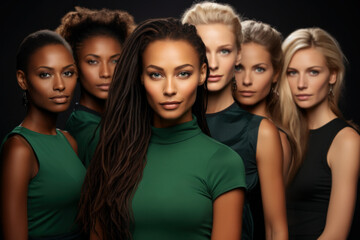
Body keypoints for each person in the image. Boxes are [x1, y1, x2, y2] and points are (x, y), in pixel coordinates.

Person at [78, 18, 247, 240]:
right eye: (156, 74)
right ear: (140, 76)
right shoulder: (114, 155)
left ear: (202, 73)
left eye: (183, 73)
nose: (169, 89)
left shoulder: (223, 162)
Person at [182, 2, 288, 240]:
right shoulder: (163, 123)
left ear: (239, 53)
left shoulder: (261, 133)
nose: (214, 63)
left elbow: (276, 229)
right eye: (203, 50)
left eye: (224, 51)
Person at [0, 30, 86, 239]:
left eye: (67, 73)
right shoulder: (20, 148)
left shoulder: (68, 141)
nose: (60, 85)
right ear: (23, 79)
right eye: (45, 74)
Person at [281, 27, 360, 239]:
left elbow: (335, 234)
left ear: (333, 75)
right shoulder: (280, 133)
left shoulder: (346, 140)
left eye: (313, 72)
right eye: (292, 72)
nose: (301, 84)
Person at [56, 6, 136, 167]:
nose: (106, 73)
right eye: (93, 61)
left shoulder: (97, 122)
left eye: (115, 61)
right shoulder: (90, 134)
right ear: (74, 66)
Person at [233, 19, 298, 184]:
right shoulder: (212, 124)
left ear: (275, 74)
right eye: (238, 68)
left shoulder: (276, 140)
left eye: (259, 69)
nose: (247, 80)